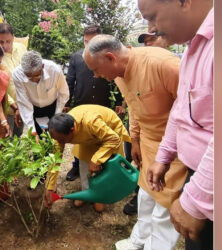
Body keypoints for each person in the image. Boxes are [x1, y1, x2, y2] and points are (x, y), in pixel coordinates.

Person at [83, 34, 188, 249]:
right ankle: (137, 241)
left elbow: (194, 111)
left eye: (96, 69)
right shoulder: (119, 75)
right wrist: (135, 140)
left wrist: (168, 153)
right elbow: (134, 107)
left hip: (176, 148)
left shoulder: (164, 65)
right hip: (148, 143)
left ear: (111, 58)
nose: (95, 76)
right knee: (146, 197)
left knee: (163, 207)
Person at [139, 0, 213, 249]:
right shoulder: (194, 46)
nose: (151, 28)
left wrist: (196, 199)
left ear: (183, 2)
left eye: (153, 17)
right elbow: (183, 107)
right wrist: (164, 155)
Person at [64, 24, 126, 182]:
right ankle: (77, 166)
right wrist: (67, 102)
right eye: (86, 41)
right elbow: (70, 81)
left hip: (102, 105)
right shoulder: (77, 57)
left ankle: (101, 169)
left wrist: (119, 102)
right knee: (80, 138)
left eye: (92, 41)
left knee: (100, 137)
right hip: (81, 103)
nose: (88, 45)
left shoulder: (106, 58)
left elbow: (116, 80)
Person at [44, 105, 131, 212]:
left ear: (72, 130)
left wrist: (96, 160)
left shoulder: (91, 122)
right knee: (84, 164)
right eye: (58, 140)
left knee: (106, 167)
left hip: (110, 134)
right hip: (89, 138)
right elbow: (55, 161)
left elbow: (113, 139)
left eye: (62, 140)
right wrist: (49, 186)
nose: (60, 143)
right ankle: (87, 192)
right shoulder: (59, 134)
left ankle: (100, 196)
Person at [122, 31, 172, 217]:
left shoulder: (173, 65)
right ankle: (139, 195)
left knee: (164, 190)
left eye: (153, 39)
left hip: (169, 143)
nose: (149, 45)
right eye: (146, 42)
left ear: (166, 39)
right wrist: (134, 139)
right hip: (146, 139)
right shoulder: (137, 69)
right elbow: (134, 109)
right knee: (142, 169)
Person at [12, 50, 69, 140]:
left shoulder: (54, 70)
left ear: (42, 66)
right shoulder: (17, 74)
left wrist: (57, 116)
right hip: (33, 108)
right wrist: (33, 131)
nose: (33, 80)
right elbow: (24, 102)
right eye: (29, 77)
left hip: (52, 107)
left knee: (54, 138)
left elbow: (63, 93)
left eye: (36, 76)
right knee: (36, 139)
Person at [0, 23, 26, 137]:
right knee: (7, 139)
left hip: (23, 105)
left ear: (13, 37)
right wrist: (15, 106)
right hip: (7, 109)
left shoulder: (21, 48)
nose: (5, 45)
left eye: (8, 41)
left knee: (18, 137)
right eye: (1, 42)